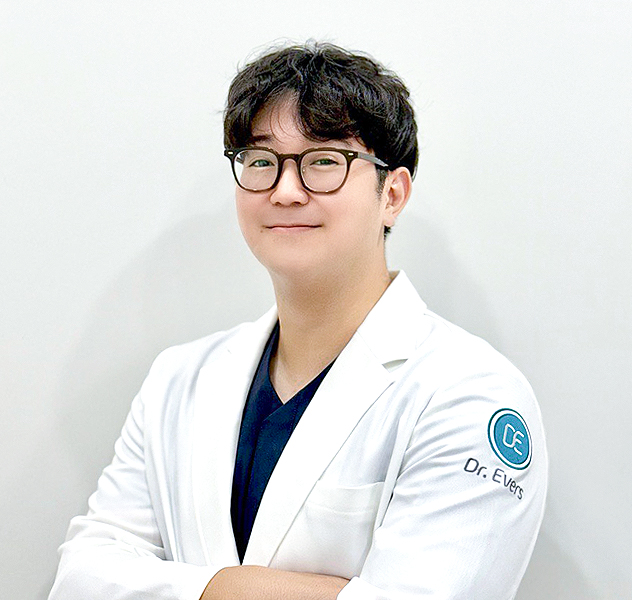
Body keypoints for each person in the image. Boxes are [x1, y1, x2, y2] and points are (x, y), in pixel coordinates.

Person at [48, 42, 547, 600]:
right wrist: (248, 588)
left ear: (392, 194)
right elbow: (80, 579)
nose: (285, 191)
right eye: (261, 161)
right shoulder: (178, 378)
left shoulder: (469, 395)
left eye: (324, 162)